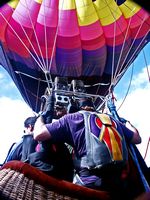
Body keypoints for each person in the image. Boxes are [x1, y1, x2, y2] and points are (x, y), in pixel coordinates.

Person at [33, 96, 142, 198]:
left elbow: (38, 134)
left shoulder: (72, 118)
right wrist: (128, 123)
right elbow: (137, 139)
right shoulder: (112, 120)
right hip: (119, 184)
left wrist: (42, 116)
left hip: (89, 185)